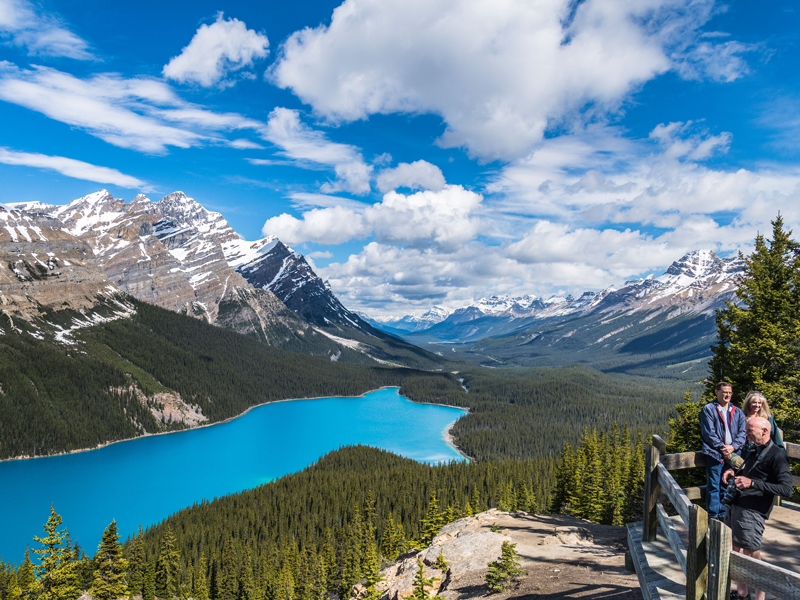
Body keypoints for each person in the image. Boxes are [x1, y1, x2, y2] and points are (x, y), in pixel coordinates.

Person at [722, 417, 793, 600]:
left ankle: (760, 598)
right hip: (737, 504)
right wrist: (735, 473)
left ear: (765, 431)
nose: (745, 434)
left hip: (753, 511)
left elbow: (786, 489)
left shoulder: (777, 455)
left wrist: (752, 483)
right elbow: (751, 471)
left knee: (752, 553)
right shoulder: (754, 448)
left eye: (749, 431)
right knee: (736, 548)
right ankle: (742, 593)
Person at [700, 381, 746, 520]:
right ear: (716, 392)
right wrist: (723, 448)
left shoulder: (737, 411)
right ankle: (714, 516)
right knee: (714, 485)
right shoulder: (708, 409)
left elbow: (742, 433)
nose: (727, 395)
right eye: (724, 392)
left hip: (732, 454)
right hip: (714, 454)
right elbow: (709, 433)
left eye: (729, 392)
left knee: (728, 485)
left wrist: (733, 447)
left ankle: (725, 515)